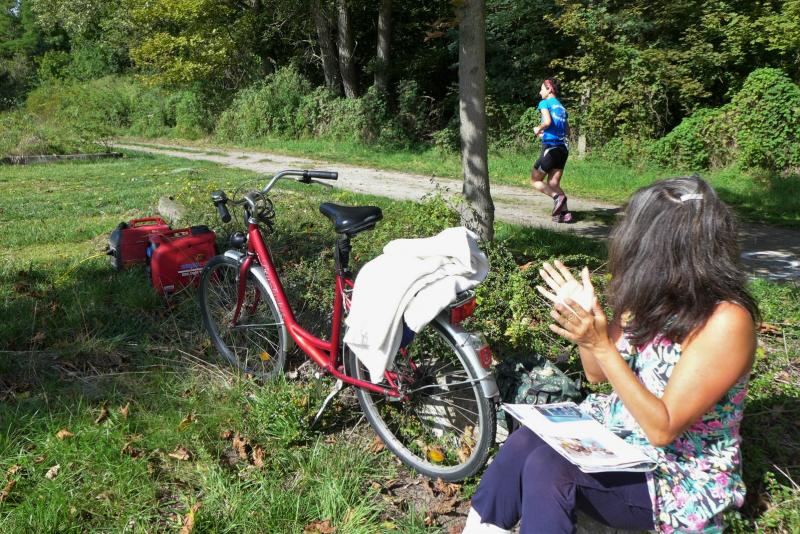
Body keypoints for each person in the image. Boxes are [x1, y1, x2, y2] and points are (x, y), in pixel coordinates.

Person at [464, 176, 759, 534]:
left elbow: (663, 429)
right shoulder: (649, 293)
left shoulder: (726, 321)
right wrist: (587, 323)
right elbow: (596, 374)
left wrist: (601, 343)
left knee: (549, 468)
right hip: (621, 433)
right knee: (525, 440)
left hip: (676, 472)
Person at [531, 78, 571, 223]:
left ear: (549, 89)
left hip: (551, 148)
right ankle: (565, 214)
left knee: (535, 180)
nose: (540, 92)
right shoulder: (562, 108)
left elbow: (547, 122)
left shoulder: (545, 103)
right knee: (553, 184)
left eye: (542, 88)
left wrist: (538, 129)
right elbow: (567, 131)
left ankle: (557, 198)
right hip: (563, 149)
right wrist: (545, 133)